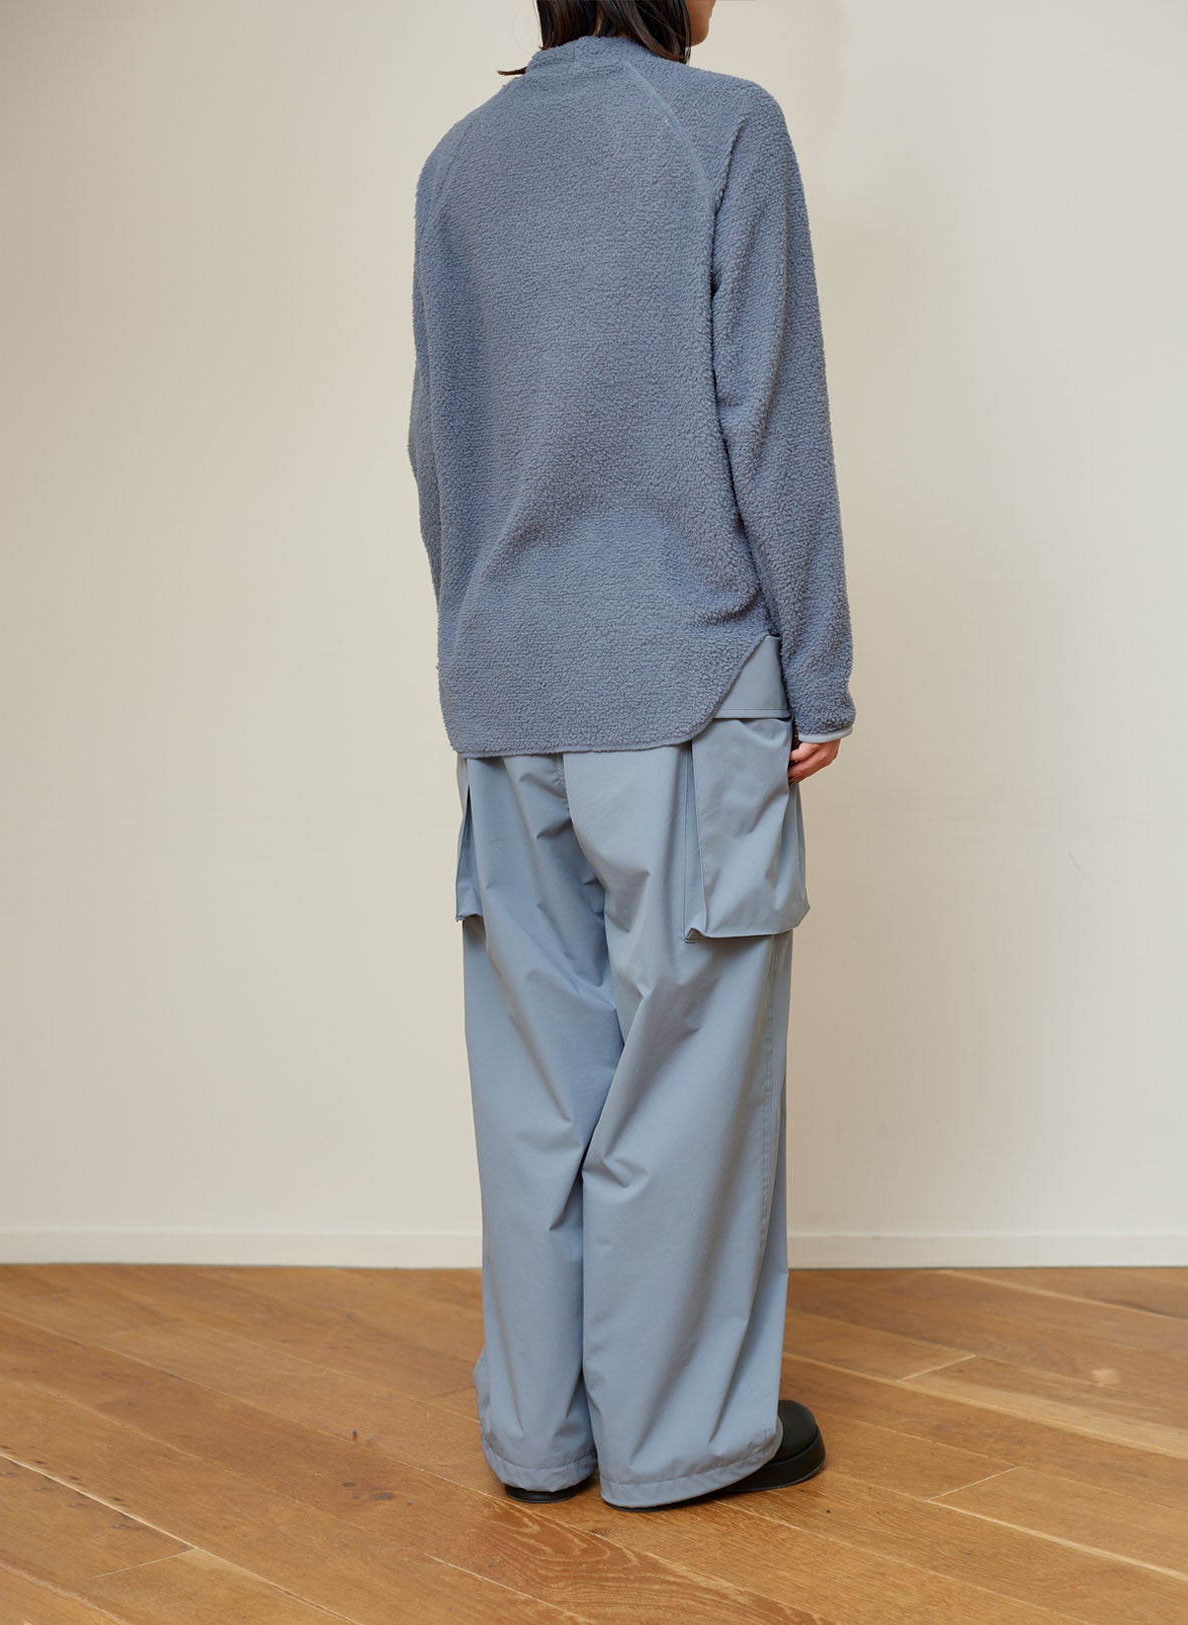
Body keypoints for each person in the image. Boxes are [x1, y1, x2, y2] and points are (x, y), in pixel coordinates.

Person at [407, 0, 855, 1511]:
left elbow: (439, 444)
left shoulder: (459, 164)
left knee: (540, 1082)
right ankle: (679, 1440)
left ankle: (540, 1433)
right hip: (683, 675)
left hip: (507, 691)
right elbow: (770, 419)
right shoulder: (724, 130)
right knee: (688, 1074)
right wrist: (818, 670)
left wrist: (482, 642)